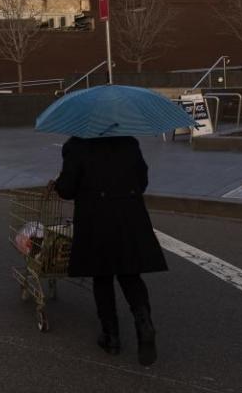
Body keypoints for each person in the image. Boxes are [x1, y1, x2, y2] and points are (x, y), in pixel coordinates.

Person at [52, 135, 167, 366]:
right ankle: (144, 322)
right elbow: (142, 181)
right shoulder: (129, 142)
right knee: (130, 274)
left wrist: (57, 184)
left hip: (96, 218)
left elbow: (67, 189)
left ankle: (111, 336)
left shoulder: (77, 146)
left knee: (102, 276)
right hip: (129, 215)